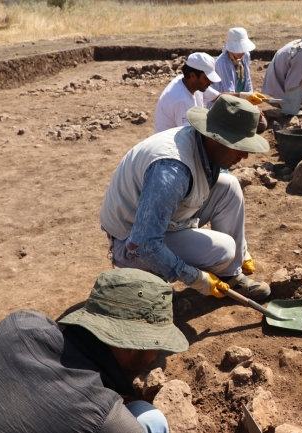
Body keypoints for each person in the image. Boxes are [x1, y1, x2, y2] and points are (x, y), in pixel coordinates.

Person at [100, 95, 271, 301]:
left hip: (160, 222)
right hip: (130, 243)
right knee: (224, 249)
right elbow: (144, 243)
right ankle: (149, 276)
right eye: (240, 147)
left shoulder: (201, 144)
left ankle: (230, 275)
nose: (244, 156)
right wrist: (197, 278)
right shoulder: (172, 170)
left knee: (229, 186)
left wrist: (241, 249)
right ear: (217, 139)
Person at [0, 268, 189, 433]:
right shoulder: (108, 421)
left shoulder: (20, 324)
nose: (154, 356)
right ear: (132, 348)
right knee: (150, 419)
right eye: (155, 347)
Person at [206, 27, 268, 133]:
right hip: (225, 106)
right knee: (249, 125)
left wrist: (254, 106)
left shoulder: (245, 55)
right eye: (238, 49)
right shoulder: (223, 63)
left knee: (261, 124)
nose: (241, 52)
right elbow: (229, 95)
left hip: (241, 100)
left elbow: (247, 82)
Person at [154, 52, 221, 134]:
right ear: (193, 75)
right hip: (172, 144)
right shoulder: (181, 100)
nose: (211, 82)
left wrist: (240, 96)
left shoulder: (191, 82)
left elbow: (218, 97)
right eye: (207, 78)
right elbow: (190, 135)